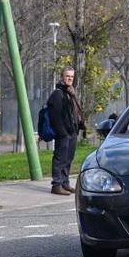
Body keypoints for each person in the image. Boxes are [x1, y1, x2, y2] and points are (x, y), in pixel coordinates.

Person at [46, 67, 84, 195]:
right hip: (63, 133)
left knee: (68, 158)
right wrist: (62, 132)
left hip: (72, 131)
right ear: (62, 77)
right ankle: (56, 185)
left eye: (72, 76)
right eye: (67, 76)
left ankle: (65, 183)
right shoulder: (58, 94)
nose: (70, 78)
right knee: (60, 158)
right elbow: (55, 116)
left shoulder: (70, 93)